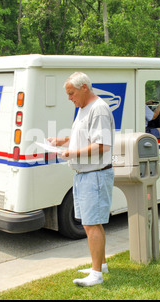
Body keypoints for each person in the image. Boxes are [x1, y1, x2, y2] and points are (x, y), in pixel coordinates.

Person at [48, 72, 115, 287]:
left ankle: (96, 274)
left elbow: (102, 145)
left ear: (84, 87)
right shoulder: (83, 108)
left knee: (92, 224)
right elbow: (82, 133)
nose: (69, 98)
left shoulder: (99, 109)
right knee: (90, 223)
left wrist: (72, 153)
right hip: (85, 176)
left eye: (71, 93)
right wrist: (63, 140)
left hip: (94, 175)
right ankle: (101, 264)